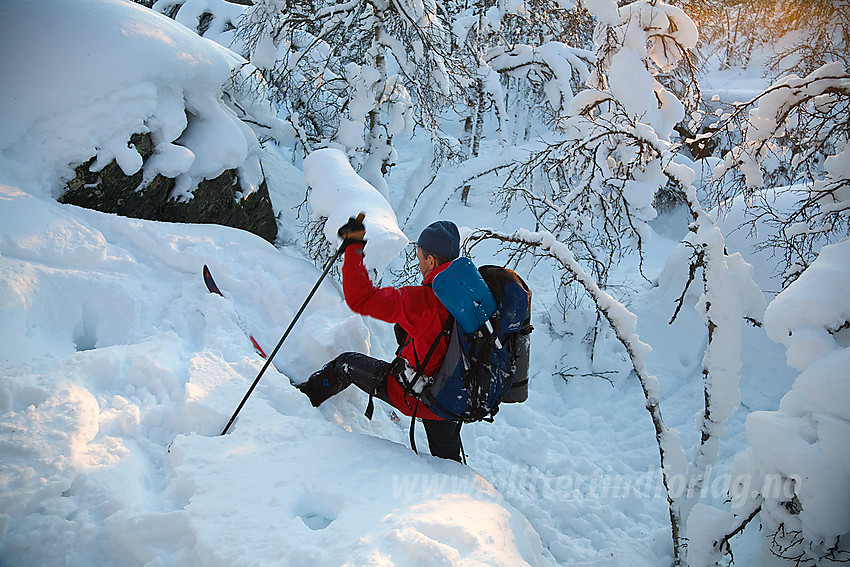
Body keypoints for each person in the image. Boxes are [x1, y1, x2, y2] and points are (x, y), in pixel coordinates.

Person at [296, 218, 463, 462]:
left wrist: (354, 247)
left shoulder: (421, 301)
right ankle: (461, 488)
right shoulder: (468, 296)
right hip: (452, 398)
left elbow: (359, 299)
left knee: (345, 364)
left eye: (419, 257)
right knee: (448, 460)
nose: (418, 264)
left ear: (431, 261)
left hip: (416, 395)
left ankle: (302, 398)